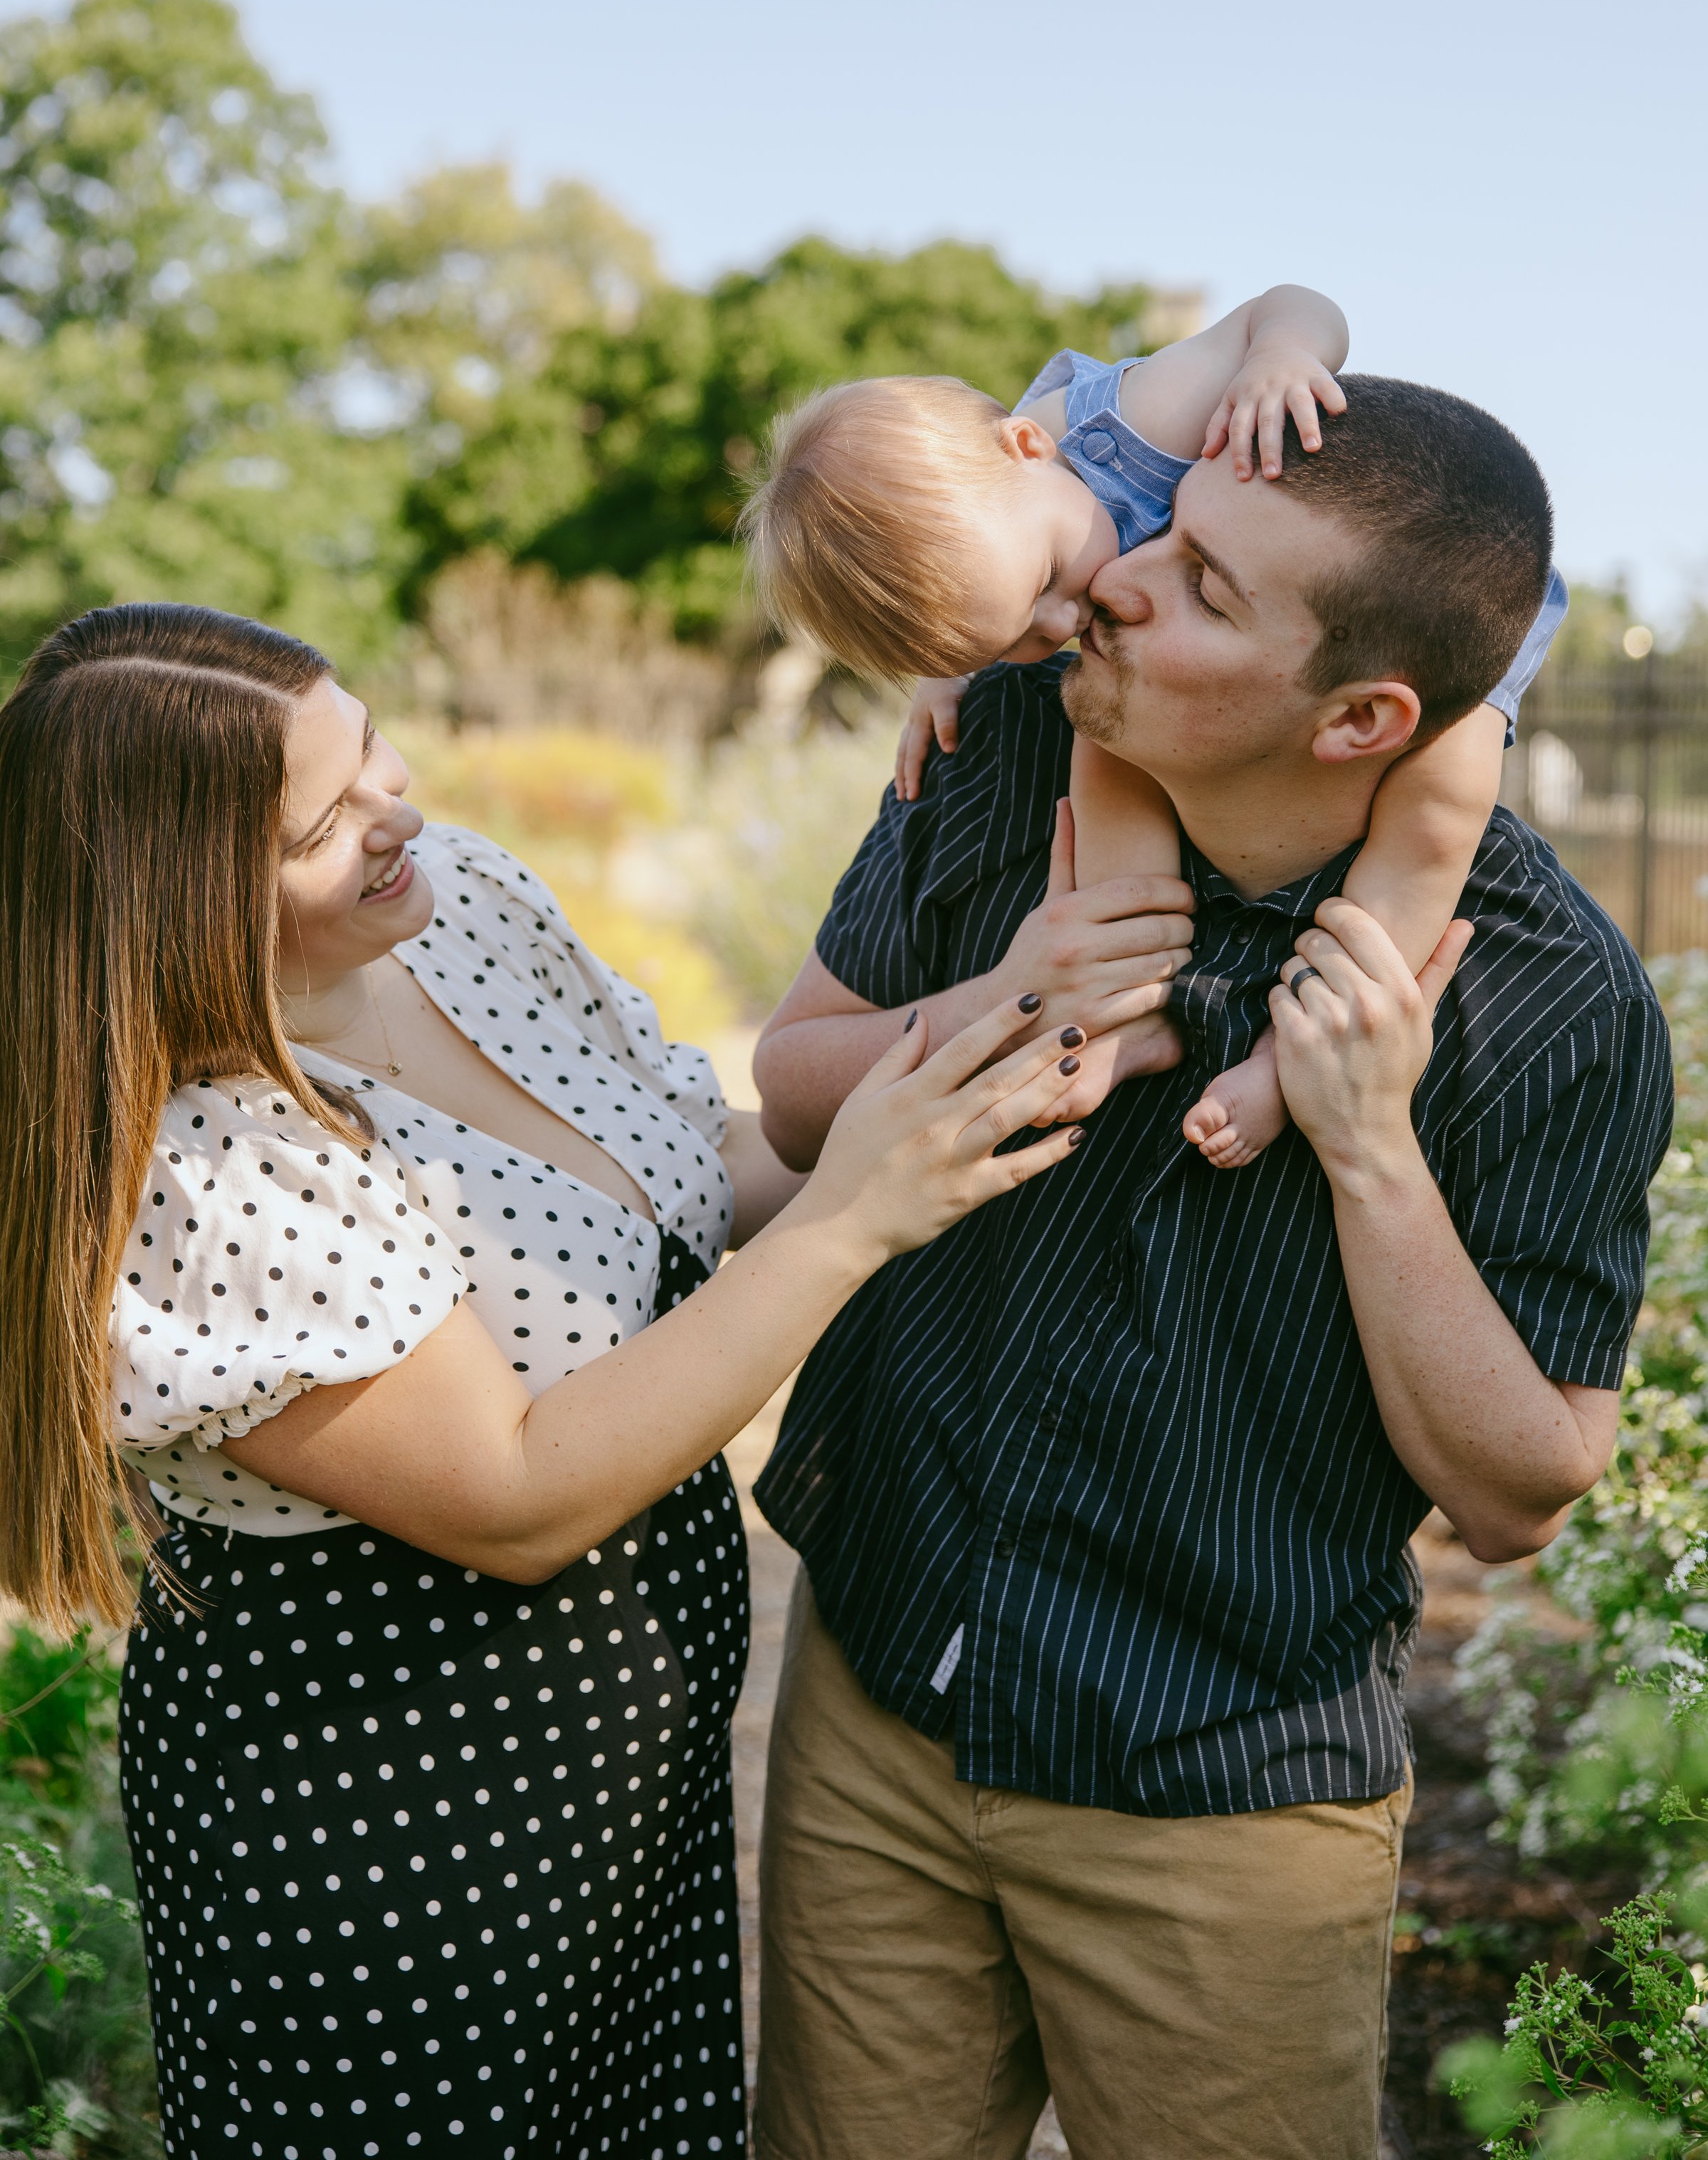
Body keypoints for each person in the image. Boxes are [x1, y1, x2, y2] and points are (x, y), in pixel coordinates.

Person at [0, 601, 1095, 2160]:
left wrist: (1006, 1016)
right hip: (385, 1845)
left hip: (618, 1801)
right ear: (178, 903)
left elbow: (701, 1171)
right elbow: (514, 1498)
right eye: (322, 827)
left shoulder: (461, 907)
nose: (396, 814)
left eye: (371, 749)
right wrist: (861, 1216)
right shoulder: (209, 1160)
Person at [747, 377, 1672, 2160]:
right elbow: (792, 1092)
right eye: (1165, 531)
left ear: (1361, 718)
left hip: (1214, 1788)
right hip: (878, 1697)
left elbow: (1520, 1493)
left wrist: (1367, 1144)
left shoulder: (1552, 1002)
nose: (1120, 575)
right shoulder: (1002, 747)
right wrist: (1018, 998)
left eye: (1205, 588)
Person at [740, 290, 1569, 1165]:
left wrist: (1281, 358)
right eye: (1012, 641)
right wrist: (947, 671)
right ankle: (1127, 1008)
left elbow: (1288, 306)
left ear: (1031, 444)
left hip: (1458, 587)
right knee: (1103, 742)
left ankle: (1299, 1059)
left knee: (1438, 815)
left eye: (1048, 583)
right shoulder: (1009, 605)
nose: (1071, 620)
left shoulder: (1147, 418)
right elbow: (788, 1115)